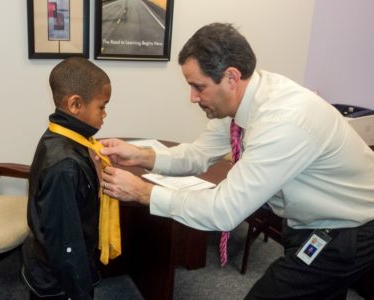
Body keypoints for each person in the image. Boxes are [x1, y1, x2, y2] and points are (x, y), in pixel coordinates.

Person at [99, 23, 374, 299]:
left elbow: (224, 211)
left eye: (198, 86)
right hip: (306, 220)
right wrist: (138, 155)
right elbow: (197, 155)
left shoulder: (283, 121)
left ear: (231, 76)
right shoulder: (244, 102)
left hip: (346, 228)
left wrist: (144, 193)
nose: (192, 97)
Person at [21, 57, 112, 300]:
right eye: (101, 106)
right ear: (75, 105)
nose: (105, 114)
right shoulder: (65, 167)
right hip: (57, 278)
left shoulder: (59, 135)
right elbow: (65, 243)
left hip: (51, 260)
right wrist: (80, 292)